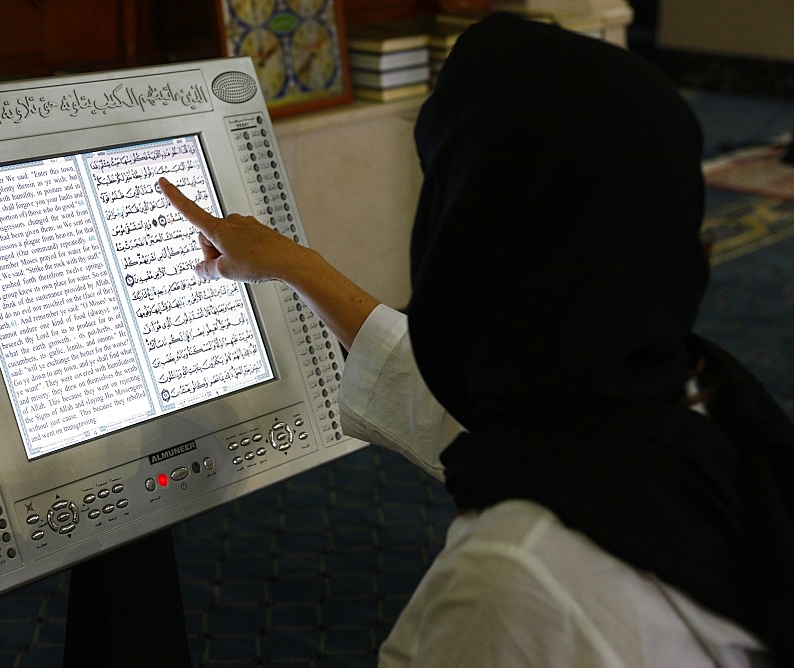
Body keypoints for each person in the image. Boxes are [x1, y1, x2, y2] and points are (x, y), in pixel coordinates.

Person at [159, 13, 794, 666]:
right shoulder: (698, 401)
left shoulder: (513, 581)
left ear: (475, 231)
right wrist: (298, 267)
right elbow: (473, 419)